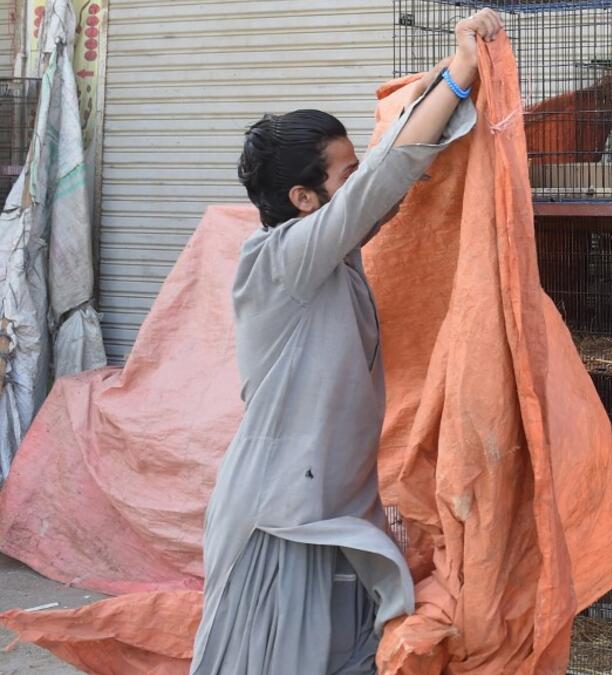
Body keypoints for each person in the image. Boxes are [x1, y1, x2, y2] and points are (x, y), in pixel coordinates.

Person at [189, 9, 504, 675]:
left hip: (328, 513)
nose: (362, 184)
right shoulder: (281, 261)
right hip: (278, 523)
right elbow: (378, 189)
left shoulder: (326, 257)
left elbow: (379, 193)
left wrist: (451, 112)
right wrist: (461, 70)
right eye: (344, 174)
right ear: (303, 198)